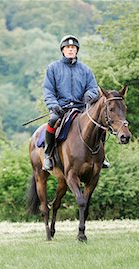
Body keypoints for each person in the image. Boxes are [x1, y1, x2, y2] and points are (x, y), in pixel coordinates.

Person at [42, 34, 109, 171]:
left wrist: (88, 96)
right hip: (61, 108)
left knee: (100, 124)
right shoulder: (53, 68)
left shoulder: (85, 69)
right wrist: (54, 105)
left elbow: (93, 88)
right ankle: (48, 154)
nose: (70, 50)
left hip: (82, 108)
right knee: (53, 120)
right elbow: (48, 90)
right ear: (63, 50)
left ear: (77, 50)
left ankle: (101, 157)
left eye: (73, 47)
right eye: (68, 47)